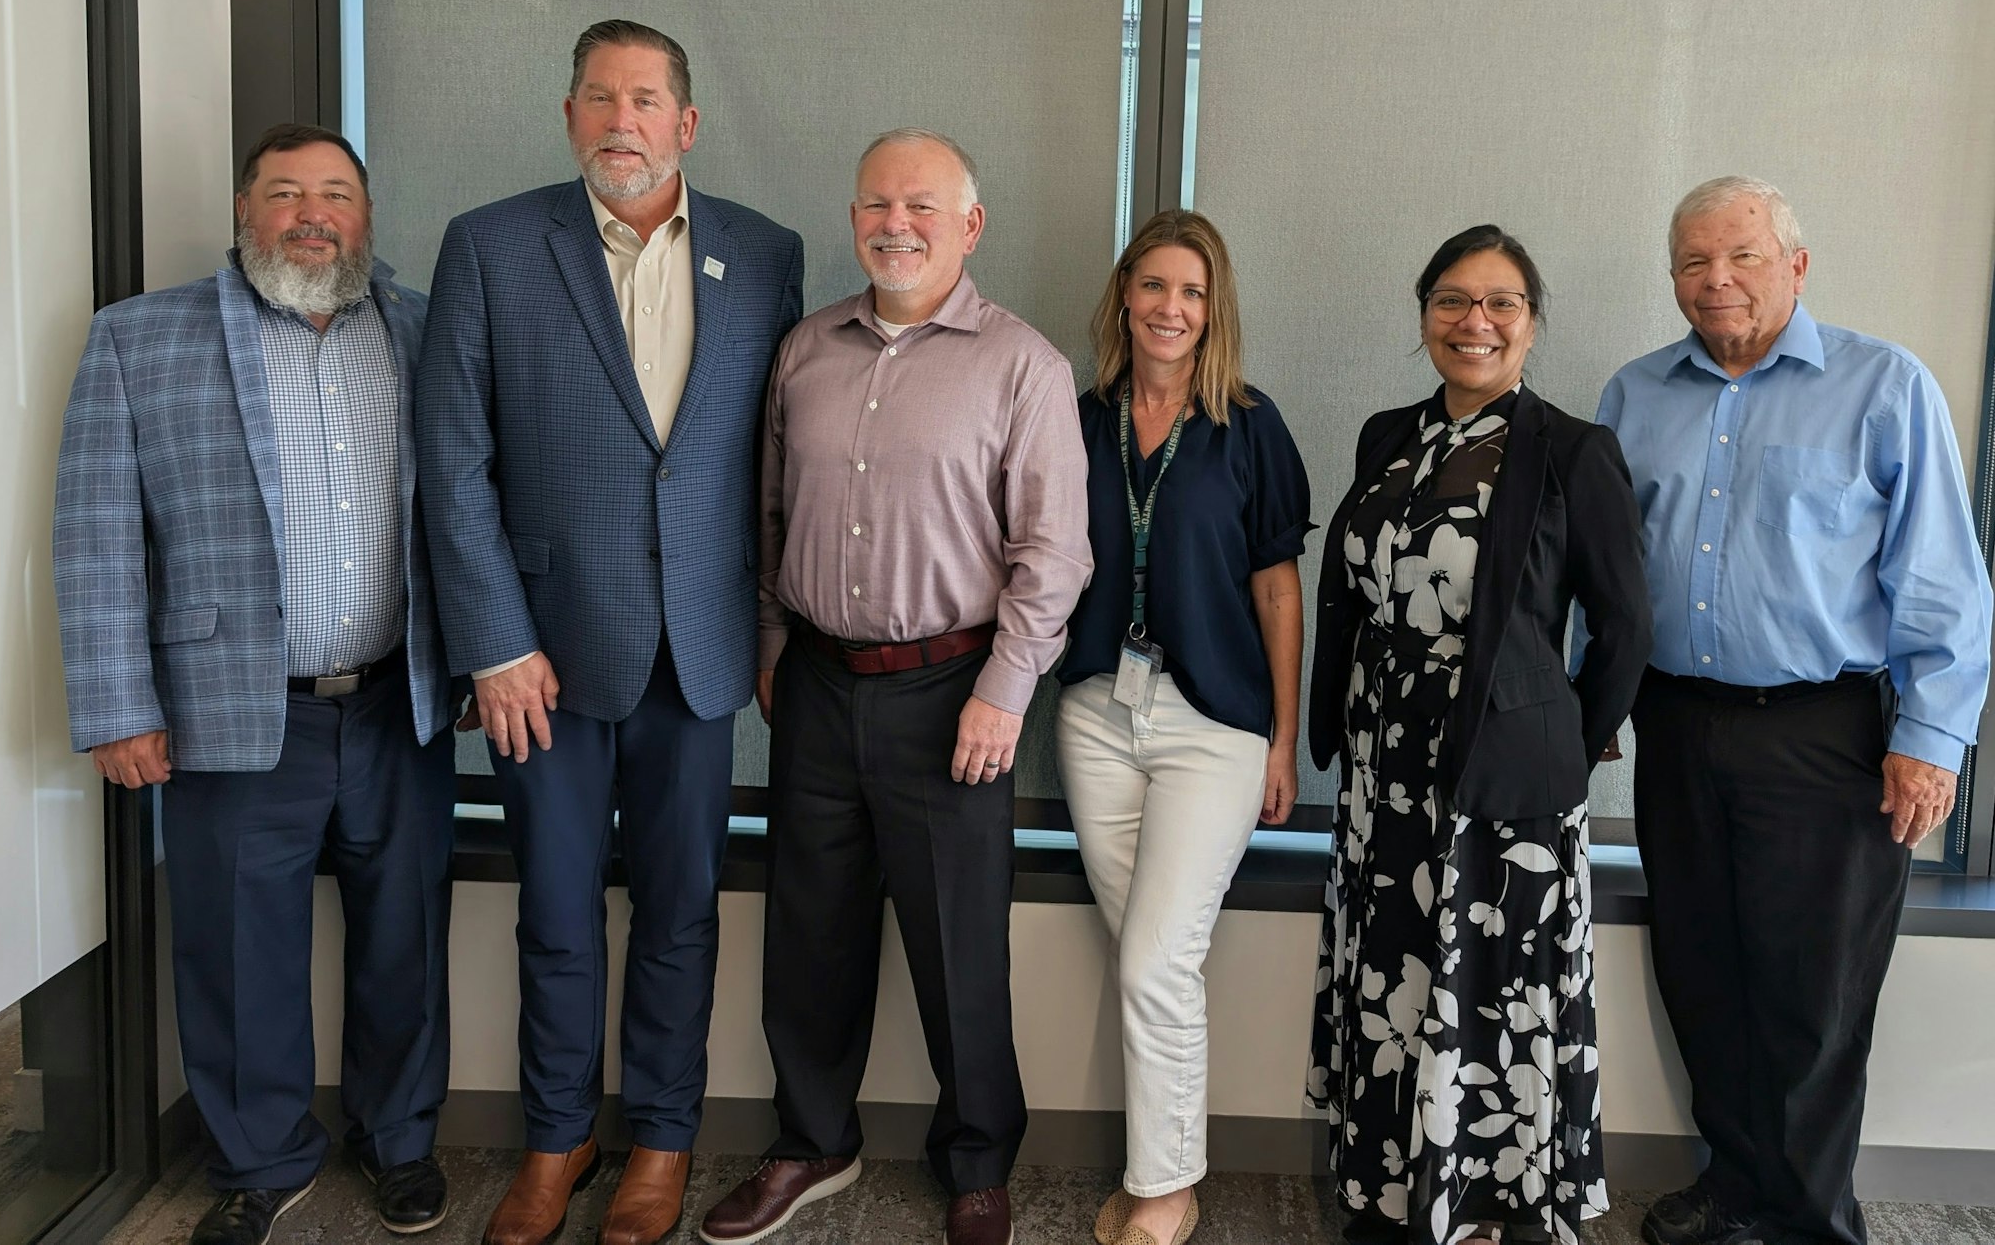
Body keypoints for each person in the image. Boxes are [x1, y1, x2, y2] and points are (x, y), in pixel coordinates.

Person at [417, 21, 803, 1245]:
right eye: (598, 98)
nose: (619, 121)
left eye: (644, 99)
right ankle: (554, 1139)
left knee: (683, 906)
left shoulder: (764, 252)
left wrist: (766, 628)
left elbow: (771, 463)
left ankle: (661, 1141)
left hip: (699, 654)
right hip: (543, 657)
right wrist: (492, 639)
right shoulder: (488, 246)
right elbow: (453, 461)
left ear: (686, 122)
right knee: (555, 905)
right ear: (568, 116)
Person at [53, 124, 457, 1245]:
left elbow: (472, 510)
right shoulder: (142, 340)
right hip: (231, 709)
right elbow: (94, 535)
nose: (311, 213)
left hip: (397, 702)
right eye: (285, 193)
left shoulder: (427, 331)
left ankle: (401, 1141)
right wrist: (118, 704)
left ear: (367, 217)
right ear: (245, 213)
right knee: (236, 948)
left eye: (334, 193)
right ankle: (258, 1162)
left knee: (405, 938)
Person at [699, 129, 1090, 1245]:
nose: (895, 223)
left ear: (969, 226)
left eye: (922, 205)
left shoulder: (1023, 365)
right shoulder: (804, 350)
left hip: (954, 691)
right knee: (808, 932)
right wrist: (773, 643)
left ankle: (975, 1161)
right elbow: (768, 513)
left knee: (958, 945)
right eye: (876, 203)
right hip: (817, 681)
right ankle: (812, 1139)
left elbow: (1053, 556)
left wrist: (1005, 691)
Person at [1601, 178, 1991, 1245]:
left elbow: (1943, 584)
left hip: (1824, 735)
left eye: (1741, 255)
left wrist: (1928, 740)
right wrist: (1589, 709)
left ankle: (1812, 1219)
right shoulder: (1634, 396)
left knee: (1810, 996)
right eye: (1690, 261)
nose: (1714, 279)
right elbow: (1604, 574)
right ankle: (1732, 1186)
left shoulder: (1881, 385)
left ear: (1794, 265)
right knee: (1701, 971)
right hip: (1677, 725)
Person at [1305, 226, 1651, 1245]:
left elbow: (1625, 627)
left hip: (1507, 779)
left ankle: (1490, 1199)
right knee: (1397, 968)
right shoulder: (1386, 436)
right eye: (1452, 301)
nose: (1475, 322)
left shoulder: (1572, 451)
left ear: (1530, 324)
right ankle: (1388, 1186)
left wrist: (1557, 750)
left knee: (1490, 983)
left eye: (1500, 303)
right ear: (1423, 318)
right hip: (1384, 761)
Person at [1055, 209, 1310, 1245]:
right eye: (1154, 286)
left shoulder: (1249, 425)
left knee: (1155, 959)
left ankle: (1162, 1188)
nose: (1171, 307)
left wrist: (1283, 742)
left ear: (1215, 311)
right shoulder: (1076, 420)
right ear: (1125, 295)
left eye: (1192, 293)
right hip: (1093, 716)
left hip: (1214, 725)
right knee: (1149, 955)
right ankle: (1168, 1171)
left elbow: (1279, 595)